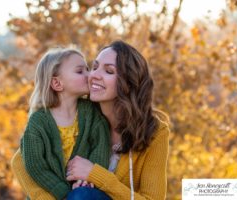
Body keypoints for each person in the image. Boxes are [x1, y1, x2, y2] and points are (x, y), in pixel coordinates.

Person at [66, 40, 169, 200]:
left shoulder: (154, 131)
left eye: (108, 71)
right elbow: (20, 160)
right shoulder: (79, 114)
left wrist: (95, 175)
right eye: (94, 67)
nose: (94, 75)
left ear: (128, 82)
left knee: (82, 196)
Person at [11, 47, 111, 200]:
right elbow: (35, 165)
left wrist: (87, 178)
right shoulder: (38, 122)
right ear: (57, 83)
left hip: (84, 191)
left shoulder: (91, 112)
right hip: (50, 193)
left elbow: (101, 146)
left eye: (87, 69)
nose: (89, 74)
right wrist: (62, 192)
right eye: (80, 71)